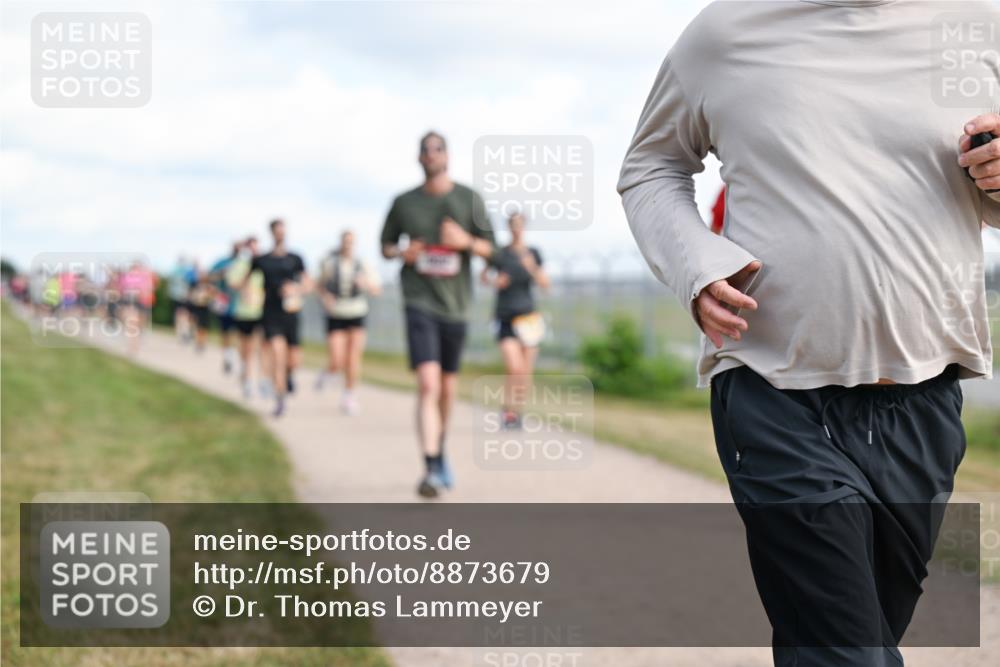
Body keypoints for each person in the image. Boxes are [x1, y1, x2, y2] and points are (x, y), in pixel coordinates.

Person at [618, 2, 999, 665]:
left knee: (848, 637)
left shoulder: (978, 26)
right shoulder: (728, 30)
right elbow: (649, 168)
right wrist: (696, 266)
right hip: (773, 392)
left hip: (924, 398)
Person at [381, 130, 496, 498]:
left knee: (447, 388)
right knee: (428, 383)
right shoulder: (403, 203)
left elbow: (493, 250)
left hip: (456, 304)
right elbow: (385, 246)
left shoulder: (468, 198)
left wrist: (465, 242)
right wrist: (403, 253)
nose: (431, 155)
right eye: (425, 150)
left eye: (437, 149)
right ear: (419, 159)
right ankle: (430, 467)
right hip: (419, 300)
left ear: (447, 156)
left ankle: (440, 446)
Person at [480, 212, 549, 429]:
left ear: (525, 227)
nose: (517, 229)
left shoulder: (534, 254)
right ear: (509, 228)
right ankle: (507, 408)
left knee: (525, 370)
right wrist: (495, 281)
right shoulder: (500, 254)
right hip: (506, 316)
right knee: (515, 367)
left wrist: (532, 267)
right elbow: (483, 277)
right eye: (513, 225)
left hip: (528, 318)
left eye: (520, 225)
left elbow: (545, 284)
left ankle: (516, 412)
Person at [316, 230, 382, 415]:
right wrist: (325, 297)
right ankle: (327, 373)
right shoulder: (329, 263)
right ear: (341, 243)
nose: (348, 245)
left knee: (353, 357)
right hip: (336, 313)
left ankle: (349, 396)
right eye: (346, 241)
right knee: (337, 358)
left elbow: (377, 289)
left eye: (352, 242)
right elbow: (318, 285)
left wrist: (366, 284)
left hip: (357, 313)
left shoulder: (363, 264)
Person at [251, 219, 311, 417]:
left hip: (291, 313)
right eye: (277, 231)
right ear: (272, 233)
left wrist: (296, 288)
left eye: (283, 231)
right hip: (270, 313)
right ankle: (280, 398)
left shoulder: (295, 258)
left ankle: (289, 375)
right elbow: (246, 281)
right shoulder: (262, 260)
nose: (280, 235)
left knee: (293, 360)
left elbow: (308, 284)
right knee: (278, 355)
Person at [227, 237, 267, 399]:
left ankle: (262, 380)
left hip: (261, 312)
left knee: (262, 348)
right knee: (247, 350)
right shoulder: (240, 265)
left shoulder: (264, 264)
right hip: (244, 312)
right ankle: (247, 380)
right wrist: (246, 281)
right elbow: (232, 284)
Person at [209, 243, 241, 374]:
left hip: (240, 305)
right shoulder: (222, 263)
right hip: (225, 304)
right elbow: (209, 278)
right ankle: (227, 356)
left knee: (239, 333)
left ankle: (235, 355)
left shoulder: (245, 264)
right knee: (225, 332)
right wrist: (221, 274)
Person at [166, 255, 193, 343]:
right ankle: (183, 333)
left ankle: (181, 333)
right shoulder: (185, 271)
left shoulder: (175, 271)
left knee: (180, 316)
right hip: (182, 297)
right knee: (183, 316)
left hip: (179, 297)